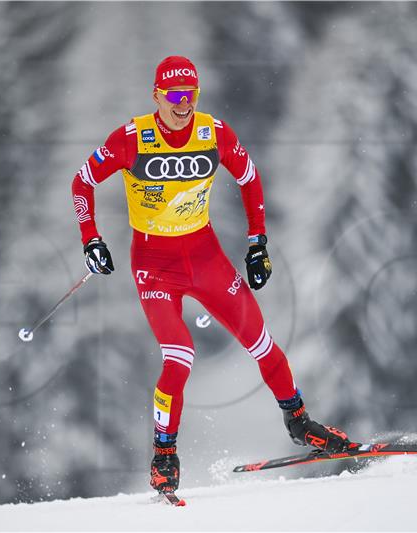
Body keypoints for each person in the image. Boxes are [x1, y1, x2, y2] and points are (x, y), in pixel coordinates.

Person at [71, 56, 351, 494]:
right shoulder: (132, 138)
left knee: (261, 340)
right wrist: (91, 239)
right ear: (157, 96)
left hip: (204, 257)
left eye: (191, 96)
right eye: (175, 96)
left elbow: (250, 178)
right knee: (180, 354)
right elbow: (81, 181)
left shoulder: (213, 133)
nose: (183, 105)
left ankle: (300, 424)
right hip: (154, 266)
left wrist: (257, 243)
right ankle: (164, 456)